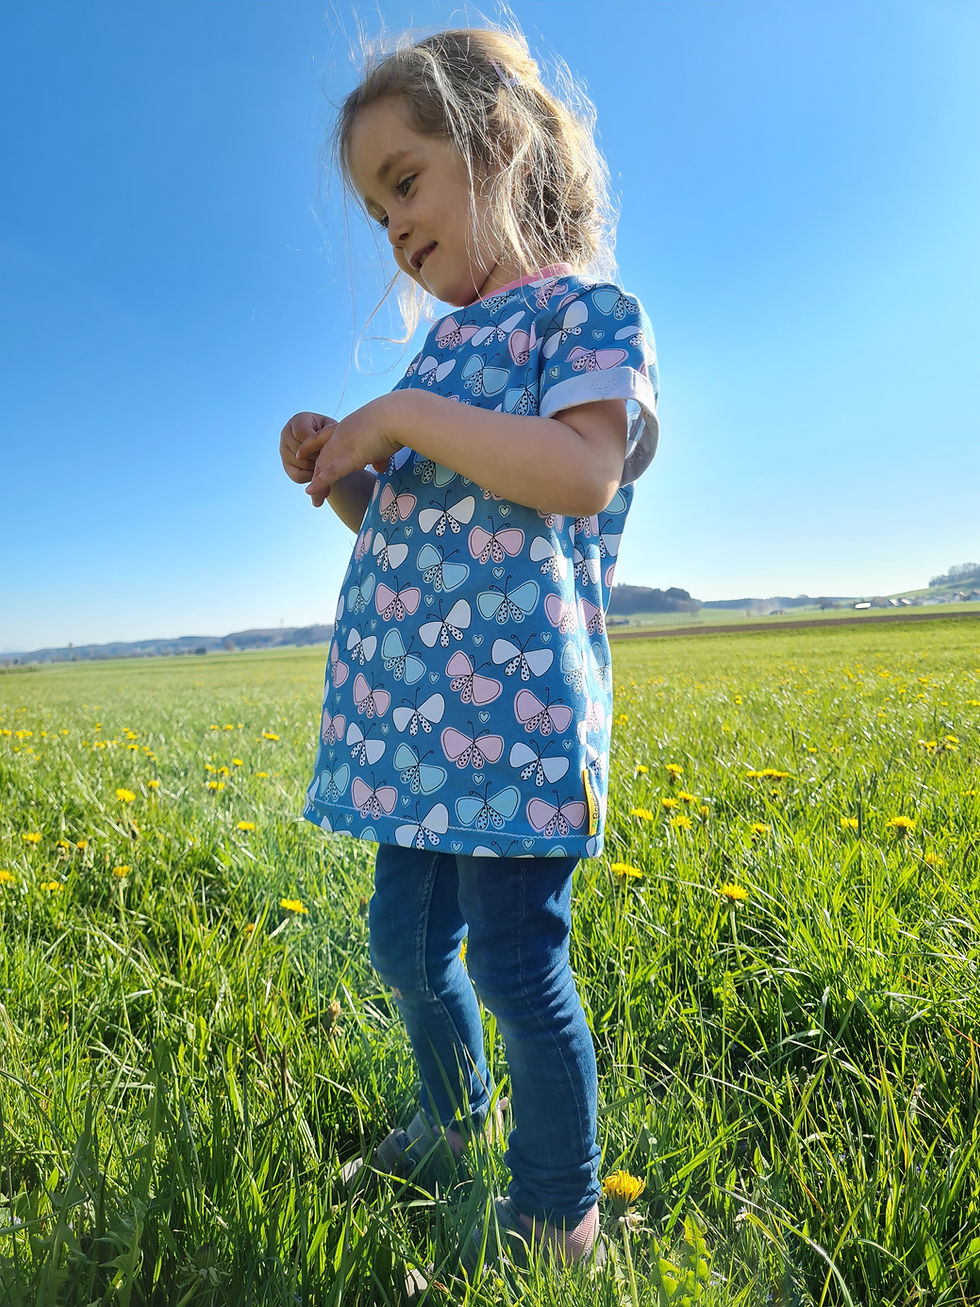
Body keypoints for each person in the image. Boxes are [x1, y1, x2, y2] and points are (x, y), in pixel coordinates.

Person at [279, 24, 659, 1269]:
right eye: (375, 206)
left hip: (515, 720)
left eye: (404, 181)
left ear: (495, 148)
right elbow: (408, 522)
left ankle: (559, 1212)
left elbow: (575, 473)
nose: (390, 226)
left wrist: (394, 414)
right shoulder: (441, 351)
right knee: (402, 939)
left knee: (509, 953)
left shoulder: (583, 313)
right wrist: (345, 468)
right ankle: (452, 1119)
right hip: (416, 720)